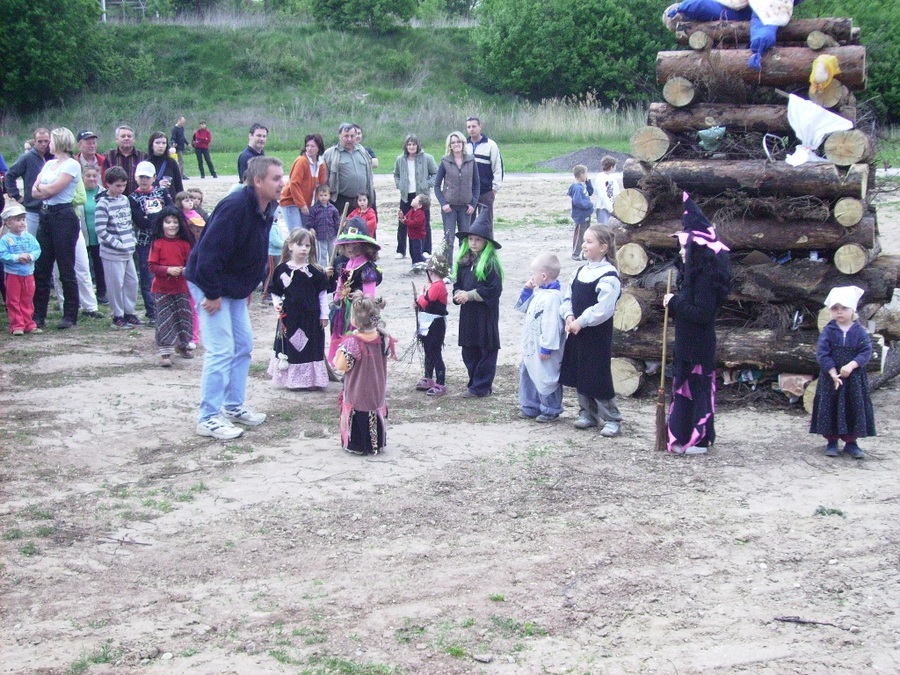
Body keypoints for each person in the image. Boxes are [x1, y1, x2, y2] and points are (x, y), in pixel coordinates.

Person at [184, 156, 284, 440]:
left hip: (232, 287)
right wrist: (212, 293)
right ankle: (208, 417)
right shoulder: (235, 206)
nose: (282, 183)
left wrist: (245, 288)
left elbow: (253, 251)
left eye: (282, 177)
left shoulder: (267, 207)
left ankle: (233, 406)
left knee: (243, 346)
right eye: (276, 178)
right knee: (221, 349)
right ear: (258, 181)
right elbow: (208, 254)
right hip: (210, 283)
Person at [662, 194, 732, 454]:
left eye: (685, 247)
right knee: (684, 389)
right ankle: (681, 435)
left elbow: (701, 314)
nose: (681, 251)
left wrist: (674, 302)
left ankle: (699, 439)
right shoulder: (691, 277)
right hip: (686, 345)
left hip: (698, 348)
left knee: (697, 389)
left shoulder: (705, 280)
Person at [560, 225, 623, 437]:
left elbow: (603, 308)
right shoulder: (579, 271)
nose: (584, 245)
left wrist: (582, 321)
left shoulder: (608, 276)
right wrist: (569, 315)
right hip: (577, 332)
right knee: (580, 371)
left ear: (603, 247)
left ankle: (612, 418)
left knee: (597, 374)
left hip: (596, 335)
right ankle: (587, 412)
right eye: (584, 241)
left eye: (589, 242)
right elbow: (567, 297)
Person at [810, 285, 876, 459]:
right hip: (831, 378)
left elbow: (865, 351)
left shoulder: (859, 332)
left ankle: (851, 442)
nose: (839, 312)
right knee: (830, 405)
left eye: (844, 308)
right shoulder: (828, 331)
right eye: (835, 308)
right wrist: (832, 372)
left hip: (853, 378)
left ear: (852, 309)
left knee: (852, 406)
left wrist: (852, 365)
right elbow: (822, 353)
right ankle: (831, 441)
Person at [31, 127, 82, 330]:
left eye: (51, 140)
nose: (48, 144)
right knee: (41, 267)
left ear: (59, 142)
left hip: (63, 216)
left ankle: (70, 314)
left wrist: (43, 189)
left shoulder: (72, 165)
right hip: (46, 214)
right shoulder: (49, 164)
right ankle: (38, 314)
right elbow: (34, 191)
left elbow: (53, 189)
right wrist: (43, 190)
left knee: (65, 267)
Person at [267, 227, 330, 389]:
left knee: (311, 347)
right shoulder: (282, 270)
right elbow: (275, 290)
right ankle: (291, 380)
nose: (304, 249)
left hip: (312, 319)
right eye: (300, 244)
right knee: (293, 347)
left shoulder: (316, 272)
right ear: (290, 246)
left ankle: (311, 381)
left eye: (307, 246)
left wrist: (324, 315)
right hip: (290, 318)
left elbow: (322, 295)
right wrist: (277, 303)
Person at [332, 292, 394, 456]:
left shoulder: (353, 342)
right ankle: (375, 444)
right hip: (377, 389)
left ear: (355, 321)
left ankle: (358, 445)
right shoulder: (383, 338)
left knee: (358, 412)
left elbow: (341, 365)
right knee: (374, 411)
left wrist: (340, 351)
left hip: (358, 392)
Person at [452, 210, 503, 398]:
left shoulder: (491, 264)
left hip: (485, 315)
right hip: (468, 315)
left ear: (486, 242)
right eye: (471, 239)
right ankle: (474, 382)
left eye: (478, 240)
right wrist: (457, 294)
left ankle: (482, 386)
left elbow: (494, 290)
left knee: (486, 350)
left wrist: (470, 295)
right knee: (469, 350)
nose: (473, 243)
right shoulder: (464, 262)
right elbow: (457, 284)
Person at [515, 253, 566, 422]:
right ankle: (530, 405)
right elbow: (525, 308)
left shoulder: (554, 298)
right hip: (532, 345)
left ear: (543, 276)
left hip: (544, 349)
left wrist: (547, 347)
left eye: (534, 274)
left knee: (547, 376)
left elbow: (552, 325)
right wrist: (527, 291)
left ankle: (550, 408)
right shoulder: (539, 294)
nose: (532, 277)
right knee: (529, 371)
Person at [328, 218, 382, 362]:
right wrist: (335, 304)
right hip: (342, 311)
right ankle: (340, 364)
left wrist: (363, 316)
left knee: (355, 341)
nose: (350, 248)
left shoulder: (368, 269)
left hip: (358, 312)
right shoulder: (346, 264)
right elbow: (340, 287)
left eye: (355, 245)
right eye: (347, 244)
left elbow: (369, 296)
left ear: (364, 246)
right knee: (340, 337)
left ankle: (355, 366)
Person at [149, 206, 194, 367]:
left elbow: (191, 264)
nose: (172, 225)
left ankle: (183, 346)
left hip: (181, 288)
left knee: (184, 317)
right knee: (164, 319)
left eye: (175, 222)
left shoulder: (185, 244)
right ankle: (165, 353)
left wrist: (185, 270)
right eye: (168, 222)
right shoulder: (157, 243)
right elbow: (152, 266)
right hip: (161, 289)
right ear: (161, 224)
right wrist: (167, 270)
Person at [95, 166, 140, 329]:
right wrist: (117, 244)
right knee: (115, 285)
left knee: (132, 282)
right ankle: (117, 316)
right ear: (108, 184)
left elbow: (128, 222)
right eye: (117, 186)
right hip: (112, 252)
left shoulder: (125, 200)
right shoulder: (103, 203)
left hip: (128, 249)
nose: (121, 189)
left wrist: (132, 240)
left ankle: (129, 312)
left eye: (123, 185)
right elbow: (100, 229)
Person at [130, 161, 173, 325]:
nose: (144, 180)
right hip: (145, 242)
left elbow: (171, 211)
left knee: (167, 274)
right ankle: (152, 313)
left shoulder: (162, 192)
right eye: (141, 177)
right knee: (148, 277)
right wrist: (159, 218)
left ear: (154, 178)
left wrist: (153, 218)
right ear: (136, 178)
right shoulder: (133, 198)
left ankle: (167, 309)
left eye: (147, 177)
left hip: (164, 241)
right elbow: (141, 221)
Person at [434, 131, 479, 268]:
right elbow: (436, 185)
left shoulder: (471, 161)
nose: (456, 144)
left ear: (463, 143)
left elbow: (477, 185)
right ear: (450, 145)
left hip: (465, 208)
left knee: (465, 240)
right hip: (450, 207)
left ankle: (463, 268)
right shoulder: (445, 161)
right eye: (453, 142)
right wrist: (443, 203)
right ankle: (447, 269)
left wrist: (473, 203)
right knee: (449, 239)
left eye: (458, 142)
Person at [393, 134, 438, 259]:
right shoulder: (400, 159)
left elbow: (435, 173)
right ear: (406, 146)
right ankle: (401, 250)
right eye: (409, 144)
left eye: (414, 144)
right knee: (403, 222)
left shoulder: (427, 158)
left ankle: (426, 249)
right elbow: (396, 174)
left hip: (421, 196)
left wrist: (426, 184)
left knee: (424, 222)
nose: (411, 147)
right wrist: (400, 185)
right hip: (406, 195)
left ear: (418, 145)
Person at [0, 202, 42, 335]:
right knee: (13, 300)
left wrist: (30, 256)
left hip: (28, 273)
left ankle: (28, 323)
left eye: (23, 219)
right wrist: (17, 258)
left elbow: (37, 250)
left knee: (27, 299)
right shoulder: (5, 239)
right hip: (13, 274)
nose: (22, 223)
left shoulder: (29, 237)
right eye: (18, 220)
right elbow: (2, 254)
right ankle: (17, 325)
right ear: (8, 223)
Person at [4, 128, 53, 236]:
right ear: (34, 142)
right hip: (33, 209)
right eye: (40, 141)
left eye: (46, 141)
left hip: (53, 208)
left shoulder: (54, 157)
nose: (44, 144)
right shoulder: (27, 158)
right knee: (34, 240)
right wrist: (17, 196)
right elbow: (9, 175)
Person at [414, 253, 450, 396]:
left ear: (431, 272)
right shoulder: (434, 286)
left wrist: (420, 297)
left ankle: (440, 382)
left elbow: (425, 301)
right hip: (428, 322)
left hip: (435, 325)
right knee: (428, 350)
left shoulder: (438, 286)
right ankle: (428, 376)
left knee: (434, 352)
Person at [323, 123, 375, 216]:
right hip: (340, 201)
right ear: (340, 136)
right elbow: (324, 180)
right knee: (342, 225)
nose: (349, 139)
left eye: (352, 136)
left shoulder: (362, 151)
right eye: (346, 136)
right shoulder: (330, 154)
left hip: (362, 201)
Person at [279, 133, 327, 231]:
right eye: (307, 146)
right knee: (296, 232)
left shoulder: (321, 163)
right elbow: (294, 184)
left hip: (306, 203)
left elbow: (321, 185)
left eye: (312, 146)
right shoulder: (302, 161)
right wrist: (302, 204)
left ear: (319, 148)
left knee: (305, 232)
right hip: (291, 201)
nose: (309, 148)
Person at [465, 116, 503, 223]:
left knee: (485, 223)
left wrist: (494, 189)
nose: (471, 129)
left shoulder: (491, 145)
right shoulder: (463, 145)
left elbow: (498, 168)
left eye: (474, 126)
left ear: (480, 126)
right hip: (468, 192)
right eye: (469, 127)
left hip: (486, 191)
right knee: (468, 224)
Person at [80, 164, 107, 304]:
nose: (91, 179)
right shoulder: (78, 193)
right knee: (84, 268)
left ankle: (102, 293)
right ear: (82, 177)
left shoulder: (104, 193)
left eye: (94, 176)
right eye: (88, 176)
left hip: (99, 237)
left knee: (100, 266)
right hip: (82, 236)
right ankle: (85, 295)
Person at [106, 125, 147, 195]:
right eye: (123, 136)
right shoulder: (108, 156)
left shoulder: (143, 156)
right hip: (114, 198)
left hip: (138, 198)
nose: (126, 138)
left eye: (129, 136)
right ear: (116, 139)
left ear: (134, 139)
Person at [308, 184, 341, 269]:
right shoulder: (314, 209)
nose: (323, 197)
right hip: (320, 235)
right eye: (321, 195)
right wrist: (311, 228)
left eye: (325, 195)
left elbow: (337, 221)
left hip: (332, 235)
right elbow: (310, 220)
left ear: (329, 196)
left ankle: (333, 268)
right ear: (317, 196)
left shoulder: (333, 209)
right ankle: (322, 269)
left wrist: (339, 231)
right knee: (322, 254)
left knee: (332, 253)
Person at [147, 131, 184, 198]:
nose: (161, 146)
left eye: (164, 143)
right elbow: (142, 185)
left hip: (171, 200)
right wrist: (157, 184)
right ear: (151, 145)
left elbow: (179, 186)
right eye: (157, 143)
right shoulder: (146, 163)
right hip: (151, 200)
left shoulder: (171, 162)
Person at [568, 165, 594, 260]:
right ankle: (575, 253)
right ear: (582, 175)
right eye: (586, 174)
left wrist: (588, 182)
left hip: (586, 214)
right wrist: (589, 204)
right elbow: (577, 201)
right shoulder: (577, 188)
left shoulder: (582, 186)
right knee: (579, 235)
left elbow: (590, 192)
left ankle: (584, 253)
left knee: (586, 235)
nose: (587, 175)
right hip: (580, 215)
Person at [400, 194, 430, 268]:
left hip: (418, 237)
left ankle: (422, 264)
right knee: (412, 252)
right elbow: (406, 217)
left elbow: (415, 223)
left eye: (416, 199)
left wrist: (405, 221)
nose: (413, 200)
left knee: (417, 252)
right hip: (412, 236)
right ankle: (415, 265)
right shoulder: (412, 210)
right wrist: (402, 217)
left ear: (419, 205)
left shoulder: (420, 213)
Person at [593, 155, 621, 225]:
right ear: (611, 167)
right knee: (604, 228)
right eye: (615, 166)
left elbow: (617, 193)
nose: (615, 168)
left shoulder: (613, 178)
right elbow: (603, 195)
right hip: (603, 208)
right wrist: (611, 209)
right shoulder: (600, 178)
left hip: (613, 207)